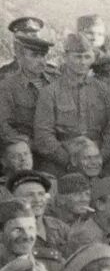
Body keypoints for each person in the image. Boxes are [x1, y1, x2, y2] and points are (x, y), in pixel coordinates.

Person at [33, 34, 110, 174]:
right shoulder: (50, 92)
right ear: (65, 57)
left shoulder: (103, 90)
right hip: (63, 163)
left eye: (87, 57)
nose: (82, 62)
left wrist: (99, 158)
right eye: (77, 57)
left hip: (100, 162)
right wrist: (69, 162)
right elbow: (43, 136)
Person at [0, 34, 59, 169]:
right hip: (28, 153)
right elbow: (4, 127)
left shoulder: (56, 81)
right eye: (34, 56)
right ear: (20, 57)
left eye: (43, 56)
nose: (41, 61)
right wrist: (30, 144)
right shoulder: (7, 87)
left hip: (57, 148)